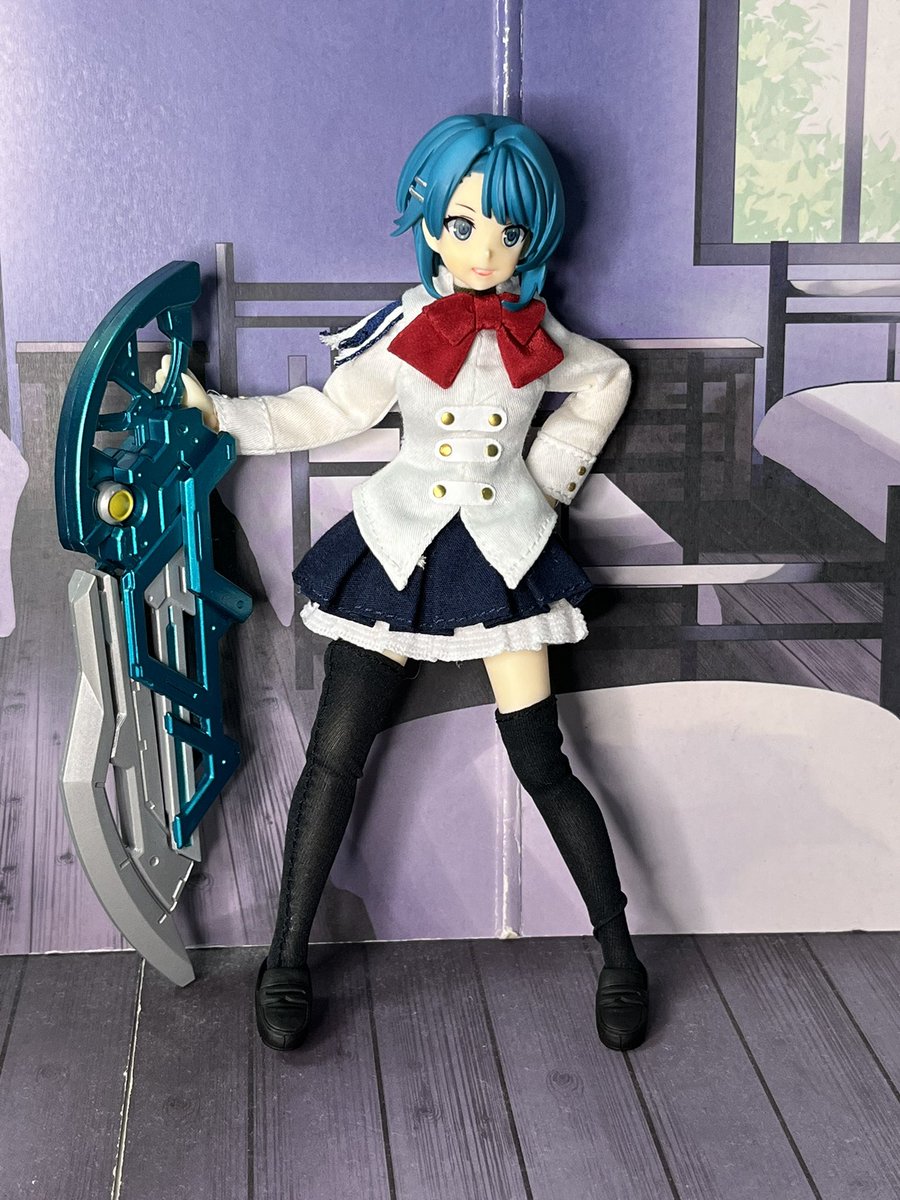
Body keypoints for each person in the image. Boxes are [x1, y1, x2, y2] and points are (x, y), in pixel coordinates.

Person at [168, 113, 648, 1053]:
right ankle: (286, 957)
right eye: (464, 225)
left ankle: (621, 955)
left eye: (509, 231)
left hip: (503, 561)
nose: (485, 250)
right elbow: (324, 410)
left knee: (542, 760)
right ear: (429, 223)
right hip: (398, 552)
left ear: (535, 239)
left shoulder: (540, 332)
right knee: (333, 756)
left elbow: (608, 379)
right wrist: (221, 414)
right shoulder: (407, 330)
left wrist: (547, 482)